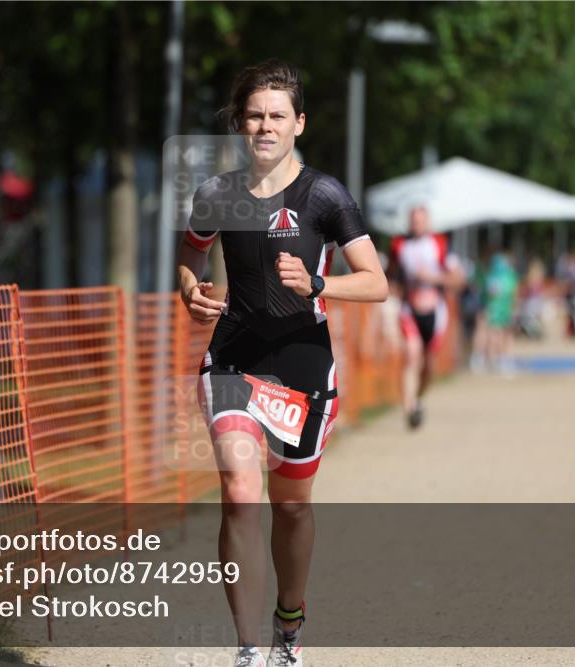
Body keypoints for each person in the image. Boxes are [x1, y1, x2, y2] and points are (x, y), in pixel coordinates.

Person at [177, 60, 387, 667]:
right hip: (232, 360)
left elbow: (375, 283)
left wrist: (318, 283)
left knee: (290, 506)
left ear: (298, 123)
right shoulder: (216, 194)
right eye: (254, 116)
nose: (264, 127)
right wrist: (189, 289)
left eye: (276, 116)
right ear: (240, 125)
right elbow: (190, 254)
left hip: (303, 367)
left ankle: (288, 626)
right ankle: (247, 650)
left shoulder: (324, 195)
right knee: (241, 493)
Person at [387, 207, 463, 429]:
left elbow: (457, 279)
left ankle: (418, 398)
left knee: (429, 364)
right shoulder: (399, 245)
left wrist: (433, 277)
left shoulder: (440, 244)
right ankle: (409, 408)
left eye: (421, 221)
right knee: (411, 355)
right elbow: (390, 275)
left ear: (428, 222)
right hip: (410, 309)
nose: (416, 225)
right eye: (413, 221)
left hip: (435, 311)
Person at [482, 251, 519, 374]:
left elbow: (489, 294)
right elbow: (514, 294)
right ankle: (502, 359)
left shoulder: (493, 276)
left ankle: (497, 360)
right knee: (501, 335)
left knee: (497, 334)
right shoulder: (509, 276)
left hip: (497, 309)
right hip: (502, 309)